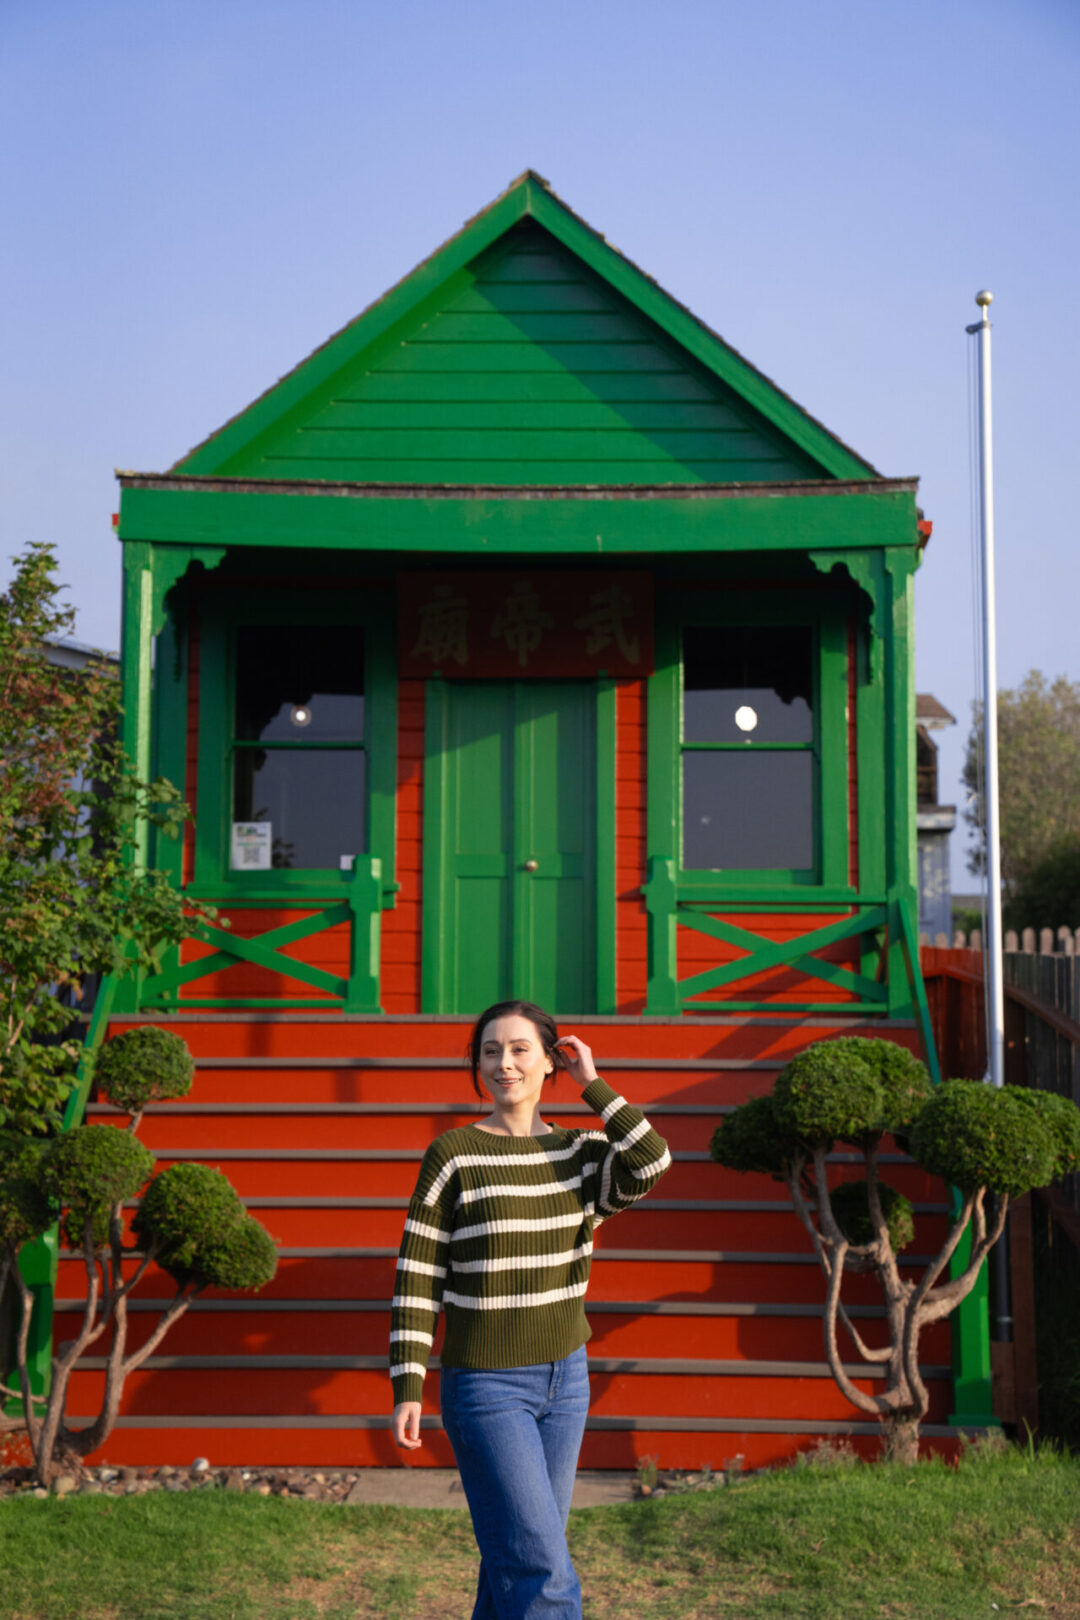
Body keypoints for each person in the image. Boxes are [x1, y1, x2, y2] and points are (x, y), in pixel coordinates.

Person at [389, 998, 671, 1620]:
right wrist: (408, 1380)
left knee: (515, 1562)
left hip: (566, 1381)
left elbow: (652, 1160)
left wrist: (593, 1085)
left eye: (520, 1050)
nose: (504, 1064)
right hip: (485, 1387)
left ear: (550, 1062)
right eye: (490, 1051)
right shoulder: (455, 1154)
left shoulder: (583, 1155)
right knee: (540, 1570)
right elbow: (419, 1272)